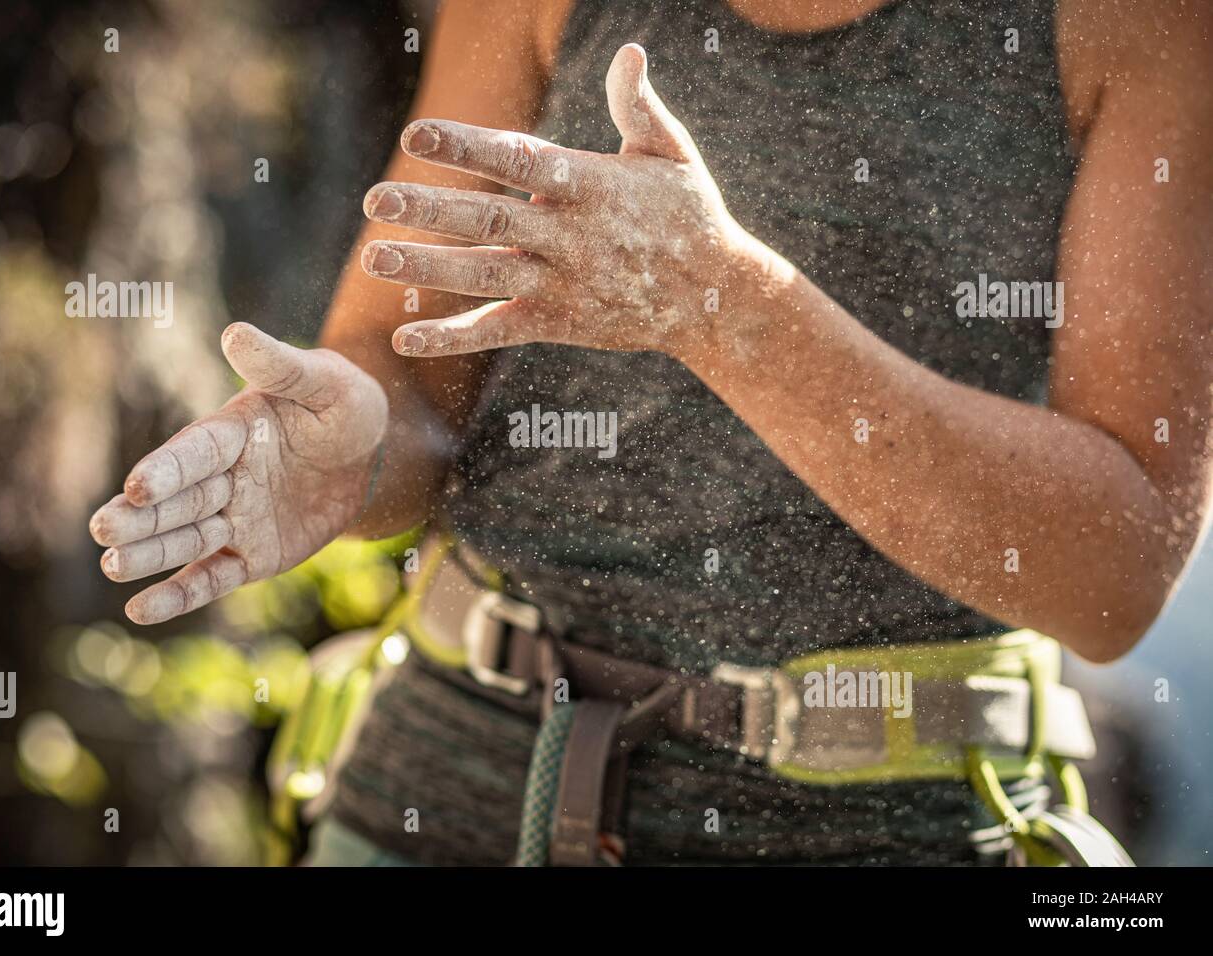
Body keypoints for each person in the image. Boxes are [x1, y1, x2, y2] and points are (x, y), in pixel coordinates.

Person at [89, 0, 1213, 865]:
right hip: (443, 792)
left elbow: (1113, 569)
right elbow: (417, 385)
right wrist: (352, 451)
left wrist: (724, 307)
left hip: (886, 823)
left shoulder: (1140, 25)